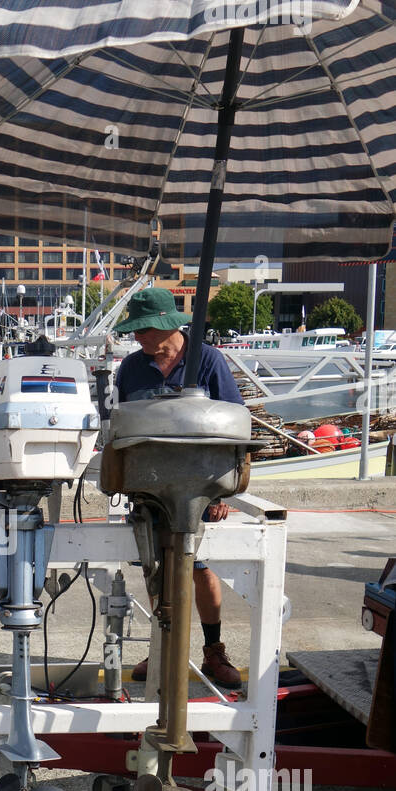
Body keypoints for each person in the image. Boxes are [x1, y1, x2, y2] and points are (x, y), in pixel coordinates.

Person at [113, 287, 244, 690]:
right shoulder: (131, 369)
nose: (136, 338)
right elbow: (118, 427)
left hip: (201, 486)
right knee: (154, 567)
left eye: (141, 330)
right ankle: (162, 643)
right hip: (148, 489)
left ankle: (213, 649)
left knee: (199, 567)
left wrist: (223, 493)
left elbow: (236, 425)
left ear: (165, 325)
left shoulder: (208, 360)